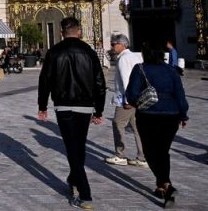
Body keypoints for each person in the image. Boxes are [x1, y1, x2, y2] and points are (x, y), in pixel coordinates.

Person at [38, 17, 106, 210]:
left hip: (63, 106)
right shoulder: (89, 52)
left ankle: (85, 194)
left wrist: (42, 106)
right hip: (85, 106)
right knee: (78, 146)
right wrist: (98, 110)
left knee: (72, 148)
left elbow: (45, 81)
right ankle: (75, 179)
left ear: (61, 32)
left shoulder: (54, 52)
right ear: (79, 31)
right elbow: (100, 83)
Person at [126, 43, 189, 208]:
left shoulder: (140, 69)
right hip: (171, 115)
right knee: (162, 151)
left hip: (148, 115)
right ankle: (162, 186)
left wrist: (135, 102)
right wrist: (183, 114)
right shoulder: (171, 71)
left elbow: (131, 94)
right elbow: (180, 94)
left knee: (149, 151)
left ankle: (166, 185)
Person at [105, 34, 146, 167]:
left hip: (126, 98)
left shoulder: (123, 58)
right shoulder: (137, 55)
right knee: (137, 127)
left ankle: (120, 154)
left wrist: (128, 100)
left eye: (113, 44)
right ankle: (142, 157)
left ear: (122, 44)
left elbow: (126, 79)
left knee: (118, 123)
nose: (112, 46)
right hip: (139, 97)